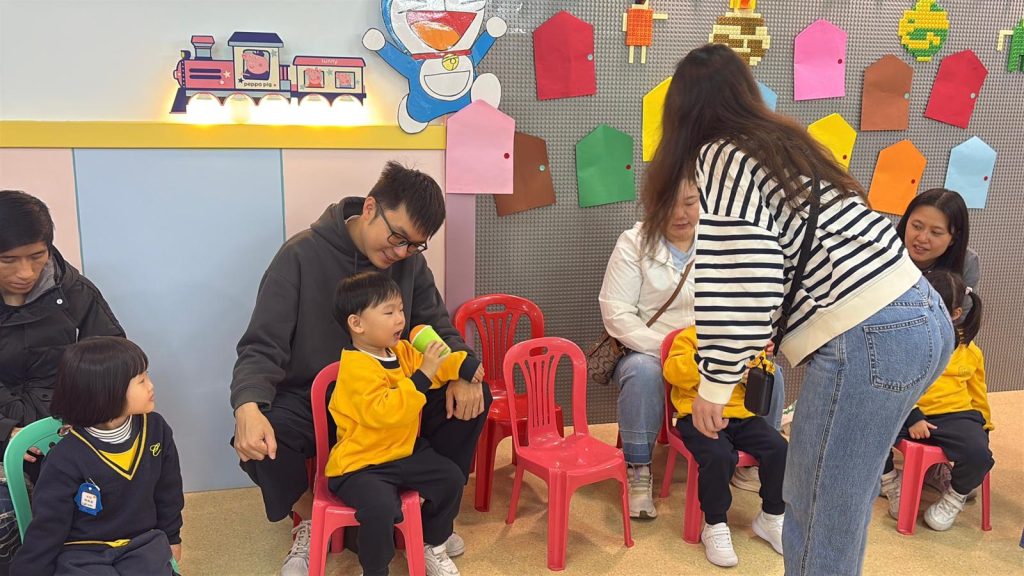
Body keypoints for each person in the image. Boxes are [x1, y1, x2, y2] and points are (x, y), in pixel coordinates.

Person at [649, 44, 954, 574]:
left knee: (816, 511)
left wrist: (715, 384)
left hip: (869, 334)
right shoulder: (785, 143)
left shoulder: (720, 154)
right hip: (921, 314)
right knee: (839, 504)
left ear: (681, 111)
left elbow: (742, 277)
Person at [229, 162, 490, 575]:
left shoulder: (410, 265)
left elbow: (435, 326)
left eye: (414, 245)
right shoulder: (299, 256)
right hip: (315, 399)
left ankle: (428, 523)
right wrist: (247, 405)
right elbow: (262, 344)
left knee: (474, 396)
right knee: (259, 435)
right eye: (398, 238)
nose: (401, 253)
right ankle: (308, 517)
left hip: (392, 393)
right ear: (370, 208)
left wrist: (462, 370)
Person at [0, 190, 124, 572]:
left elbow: (110, 360)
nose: (25, 272)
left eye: (36, 256)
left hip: (64, 422)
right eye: (8, 260)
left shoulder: (74, 291)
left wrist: (88, 414)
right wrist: (6, 431)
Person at [328, 272, 482, 576]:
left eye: (400, 309)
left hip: (403, 452)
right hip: (361, 464)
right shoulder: (355, 368)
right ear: (357, 324)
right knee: (380, 508)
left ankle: (432, 543)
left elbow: (437, 365)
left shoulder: (400, 351)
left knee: (451, 479)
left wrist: (462, 365)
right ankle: (375, 569)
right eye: (389, 312)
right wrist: (422, 377)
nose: (400, 319)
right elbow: (385, 413)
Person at [11, 337, 183, 576]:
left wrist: (172, 536)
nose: (151, 386)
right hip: (83, 551)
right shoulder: (65, 457)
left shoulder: (156, 428)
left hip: (143, 544)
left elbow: (168, 490)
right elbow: (49, 524)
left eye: (148, 376)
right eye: (141, 380)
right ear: (106, 392)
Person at [598, 180, 699, 519]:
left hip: (705, 346)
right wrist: (669, 350)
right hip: (647, 348)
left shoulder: (717, 241)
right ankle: (638, 468)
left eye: (690, 203)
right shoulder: (634, 243)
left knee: (764, 368)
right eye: (670, 204)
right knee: (643, 372)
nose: (680, 214)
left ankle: (752, 459)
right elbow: (616, 312)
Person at [663, 327, 786, 567]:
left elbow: (765, 370)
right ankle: (715, 523)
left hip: (742, 416)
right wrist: (707, 361)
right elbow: (672, 372)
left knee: (779, 448)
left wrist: (756, 372)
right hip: (697, 415)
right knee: (718, 455)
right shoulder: (689, 337)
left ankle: (772, 515)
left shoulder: (745, 338)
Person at [879, 270, 993, 531]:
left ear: (955, 314)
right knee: (869, 428)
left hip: (955, 415)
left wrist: (984, 429)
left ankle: (955, 496)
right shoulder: (906, 342)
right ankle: (890, 482)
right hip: (907, 409)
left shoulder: (970, 352)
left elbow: (978, 394)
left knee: (979, 453)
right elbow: (893, 384)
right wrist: (913, 415)